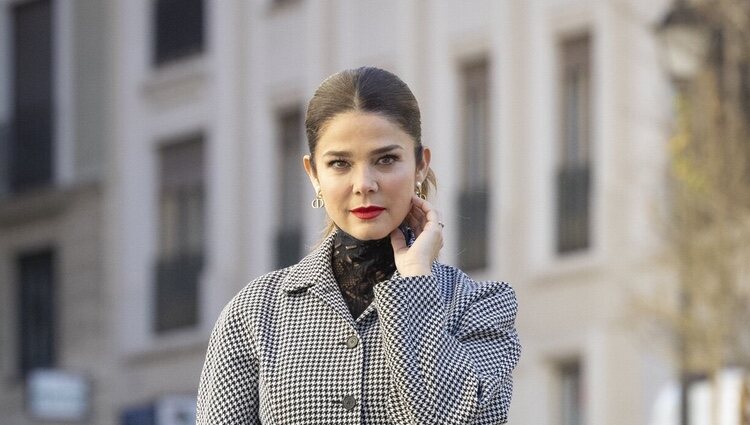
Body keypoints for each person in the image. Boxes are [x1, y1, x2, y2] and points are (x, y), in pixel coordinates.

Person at [196, 66, 521, 424]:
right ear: (313, 174)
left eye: (386, 159)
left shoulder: (480, 306)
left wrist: (415, 284)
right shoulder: (254, 314)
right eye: (339, 163)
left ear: (420, 165)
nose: (364, 183)